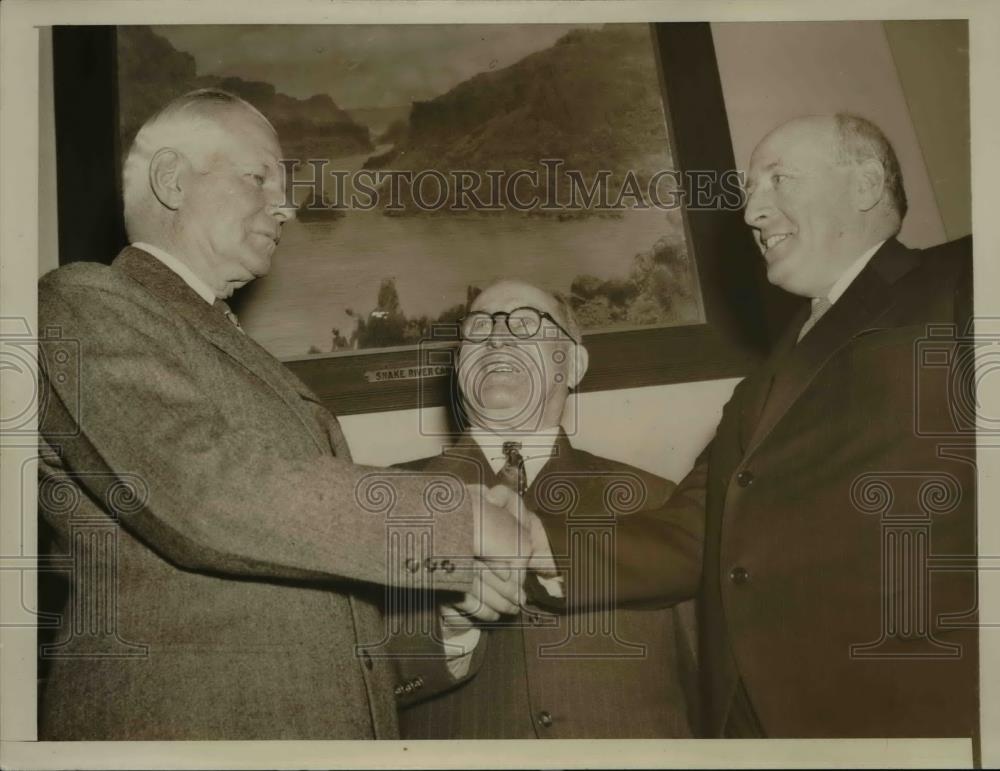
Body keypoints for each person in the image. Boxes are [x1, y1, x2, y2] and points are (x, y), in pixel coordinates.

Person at [35, 89, 532, 740]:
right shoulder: (80, 304)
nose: (287, 205)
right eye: (258, 176)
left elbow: (311, 605)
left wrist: (447, 622)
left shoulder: (244, 357)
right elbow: (205, 493)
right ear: (172, 179)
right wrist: (459, 518)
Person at [644, 113, 976, 738]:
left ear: (865, 185)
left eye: (778, 180)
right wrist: (525, 547)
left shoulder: (965, 278)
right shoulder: (754, 391)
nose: (751, 213)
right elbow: (694, 530)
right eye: (749, 191)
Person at [390, 279, 699, 739]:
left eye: (526, 323)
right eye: (477, 328)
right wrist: (445, 632)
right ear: (459, 367)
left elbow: (709, 675)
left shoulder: (658, 500)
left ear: (573, 364)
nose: (496, 337)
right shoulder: (390, 500)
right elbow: (351, 686)